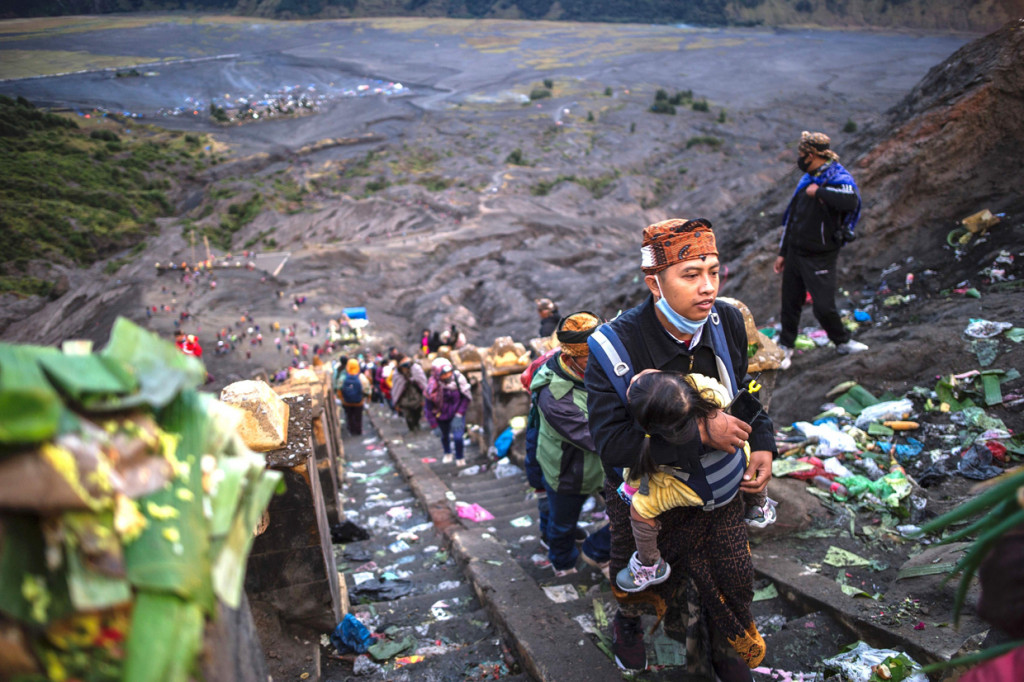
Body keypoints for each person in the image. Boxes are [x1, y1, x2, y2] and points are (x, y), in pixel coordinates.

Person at [585, 218, 775, 678]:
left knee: (733, 573)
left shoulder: (725, 320)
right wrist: (701, 435)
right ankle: (629, 623)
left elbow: (742, 393)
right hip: (645, 494)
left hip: (718, 484)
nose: (707, 287)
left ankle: (730, 647)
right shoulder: (614, 348)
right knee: (639, 574)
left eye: (713, 270)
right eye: (691, 274)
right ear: (654, 283)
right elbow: (613, 445)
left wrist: (764, 439)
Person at [615, 370, 777, 593]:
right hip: (736, 470)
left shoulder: (657, 443)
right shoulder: (714, 393)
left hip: (702, 490)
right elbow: (706, 381)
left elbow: (639, 473)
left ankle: (650, 564)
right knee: (746, 448)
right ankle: (759, 505)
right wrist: (671, 378)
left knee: (640, 507)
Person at [774, 131, 868, 369]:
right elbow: (793, 220)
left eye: (802, 154)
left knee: (824, 305)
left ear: (813, 154)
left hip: (820, 254)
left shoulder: (836, 177)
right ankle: (786, 346)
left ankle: (842, 341)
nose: (800, 159)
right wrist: (783, 253)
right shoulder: (807, 179)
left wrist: (820, 192)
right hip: (796, 251)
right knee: (790, 302)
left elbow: (851, 201)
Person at [530, 311, 611, 578]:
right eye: (592, 357)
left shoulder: (595, 372)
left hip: (599, 467)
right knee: (562, 522)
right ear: (570, 357)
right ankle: (562, 561)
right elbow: (596, 438)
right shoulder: (555, 397)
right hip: (568, 470)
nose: (602, 362)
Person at [424, 357, 472, 465]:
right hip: (441, 415)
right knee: (444, 436)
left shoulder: (458, 379)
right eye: (443, 374)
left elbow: (466, 397)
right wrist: (434, 425)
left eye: (449, 373)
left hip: (457, 413)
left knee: (458, 437)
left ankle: (460, 457)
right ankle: (447, 452)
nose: (447, 376)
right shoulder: (432, 386)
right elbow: (428, 407)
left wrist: (459, 414)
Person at [391, 357, 427, 432]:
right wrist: (397, 403)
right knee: (408, 416)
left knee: (417, 414)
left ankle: (416, 424)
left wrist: (423, 398)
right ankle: (412, 428)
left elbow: (422, 384)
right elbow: (397, 388)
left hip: (416, 398)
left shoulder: (416, 370)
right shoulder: (397, 375)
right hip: (405, 401)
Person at [339, 358, 370, 436]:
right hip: (359, 402)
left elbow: (339, 388)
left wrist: (342, 399)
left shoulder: (344, 377)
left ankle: (352, 430)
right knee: (358, 416)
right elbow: (367, 389)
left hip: (347, 402)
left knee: (349, 416)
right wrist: (366, 398)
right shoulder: (360, 376)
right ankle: (358, 430)